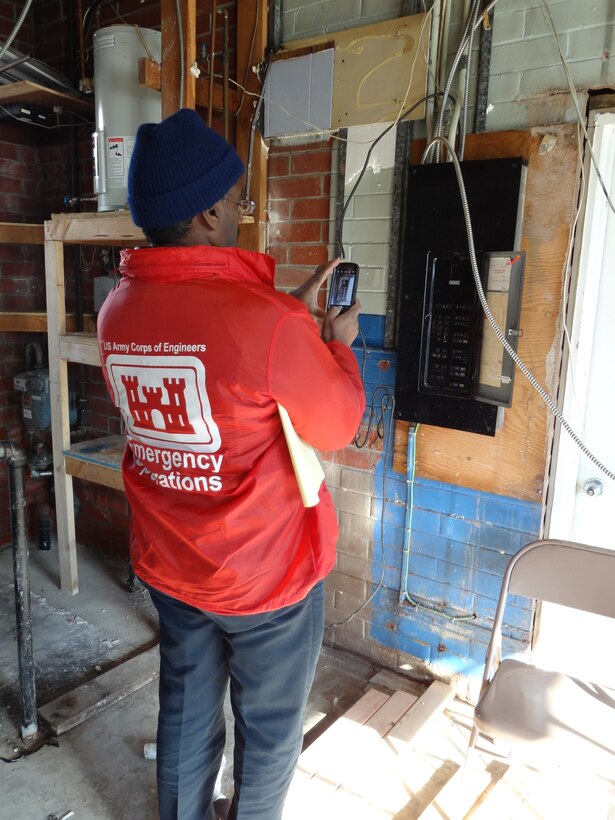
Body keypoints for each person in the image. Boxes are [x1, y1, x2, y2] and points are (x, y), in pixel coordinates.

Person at [97, 108, 365, 820]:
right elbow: (335, 424)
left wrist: (279, 314)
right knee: (269, 728)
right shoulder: (266, 322)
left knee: (184, 702)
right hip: (263, 575)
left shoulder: (116, 310)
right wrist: (334, 345)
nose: (243, 211)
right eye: (240, 200)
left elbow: (210, 369)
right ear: (210, 212)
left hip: (169, 560)